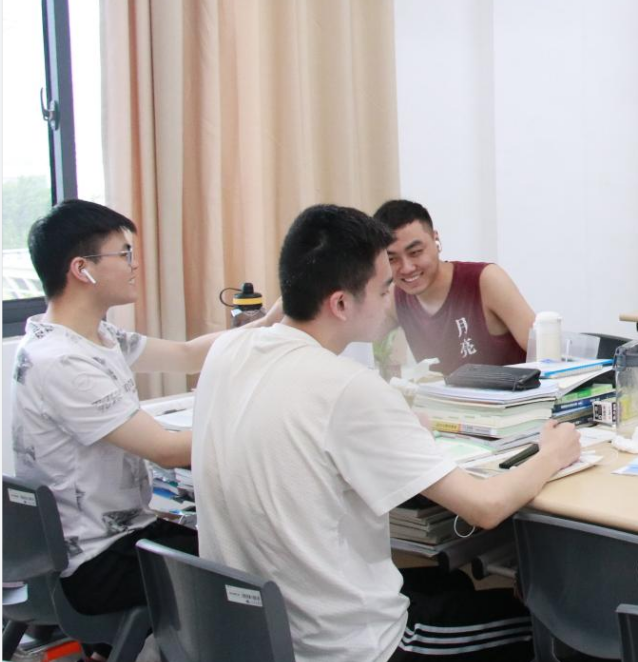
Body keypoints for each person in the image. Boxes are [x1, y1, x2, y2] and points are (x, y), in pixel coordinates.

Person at [192, 204, 580, 662]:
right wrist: (551, 454)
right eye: (383, 288)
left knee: (450, 582)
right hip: (352, 646)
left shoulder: (228, 351)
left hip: (251, 634)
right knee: (545, 623)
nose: (393, 296)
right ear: (341, 303)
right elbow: (485, 507)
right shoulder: (348, 389)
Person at [9, 200, 274, 649]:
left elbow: (188, 354)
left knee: (235, 539)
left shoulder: (91, 336)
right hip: (97, 564)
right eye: (124, 254)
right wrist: (268, 429)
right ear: (82, 269)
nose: (134, 265)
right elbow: (165, 451)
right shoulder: (62, 361)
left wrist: (272, 321)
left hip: (115, 539)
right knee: (254, 560)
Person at [373, 199, 534, 375]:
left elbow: (545, 351)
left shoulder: (486, 280)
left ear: (435, 239)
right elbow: (358, 337)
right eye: (391, 259)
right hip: (440, 393)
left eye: (415, 252)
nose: (407, 268)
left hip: (513, 392)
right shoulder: (394, 298)